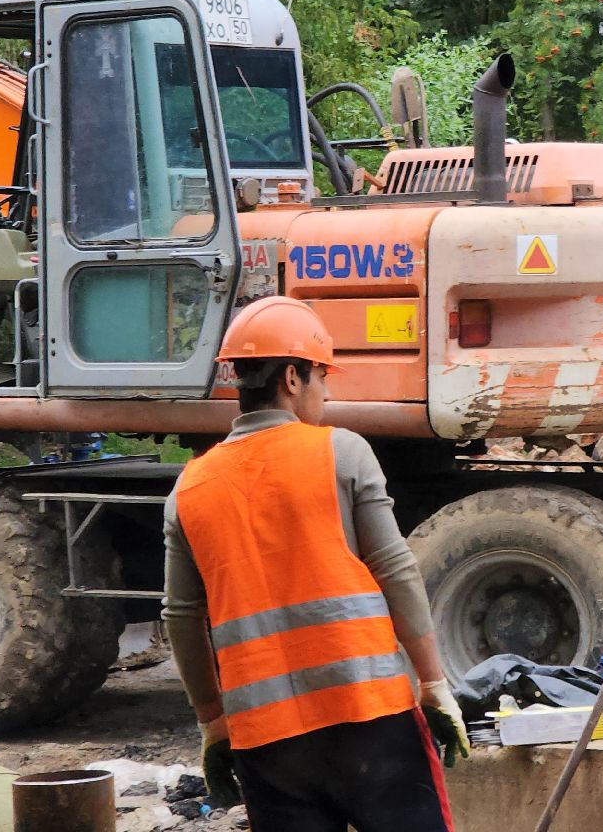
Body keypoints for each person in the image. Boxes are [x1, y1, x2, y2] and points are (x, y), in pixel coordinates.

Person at [162, 295, 468, 832]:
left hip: (267, 744)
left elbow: (181, 617)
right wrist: (433, 683)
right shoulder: (341, 453)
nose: (326, 392)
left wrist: (213, 722)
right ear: (292, 378)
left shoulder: (189, 489)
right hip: (370, 720)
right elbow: (396, 571)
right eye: (322, 377)